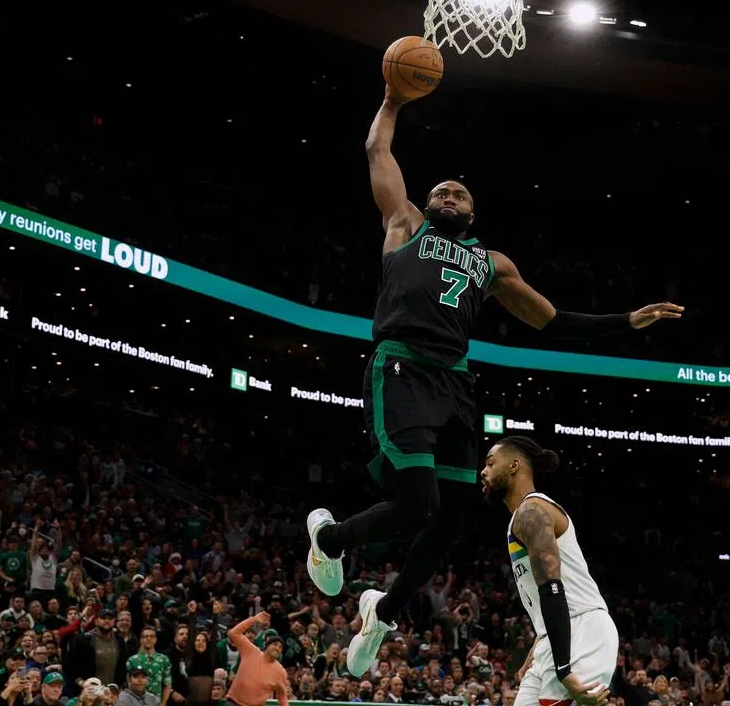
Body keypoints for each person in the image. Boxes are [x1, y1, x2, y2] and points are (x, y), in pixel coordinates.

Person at [306, 81, 683, 677]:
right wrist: (392, 100)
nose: (450, 193)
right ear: (427, 205)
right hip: (402, 364)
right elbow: (378, 153)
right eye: (441, 190)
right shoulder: (405, 225)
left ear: (473, 213)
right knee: (416, 503)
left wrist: (624, 321)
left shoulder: (492, 261)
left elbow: (549, 318)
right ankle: (328, 542)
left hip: (454, 383)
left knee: (453, 516)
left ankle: (383, 612)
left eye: (460, 192)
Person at [479, 436, 618, 706]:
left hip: (584, 630)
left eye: (490, 462)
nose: (483, 471)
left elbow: (553, 588)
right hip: (555, 636)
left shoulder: (533, 511)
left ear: (514, 465)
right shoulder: (521, 515)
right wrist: (539, 644)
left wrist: (564, 670)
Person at [223, 612, 288, 706]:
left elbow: (282, 696)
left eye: (280, 647)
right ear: (266, 646)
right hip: (233, 703)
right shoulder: (251, 651)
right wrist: (253, 620)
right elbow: (233, 633)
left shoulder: (281, 672)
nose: (277, 648)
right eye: (275, 644)